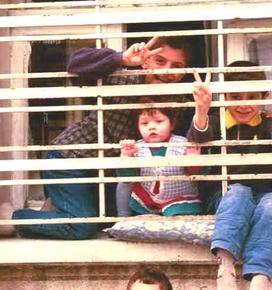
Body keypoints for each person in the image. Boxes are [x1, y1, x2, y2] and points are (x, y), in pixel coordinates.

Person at [0, 36, 193, 240]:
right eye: (160, 61)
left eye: (177, 65)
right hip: (69, 159)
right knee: (81, 226)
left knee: (112, 220)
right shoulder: (123, 80)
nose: (167, 71)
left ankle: (58, 211)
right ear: (146, 61)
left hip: (107, 171)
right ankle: (11, 218)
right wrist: (122, 59)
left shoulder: (180, 103)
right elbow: (75, 63)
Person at [188, 60, 272, 290]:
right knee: (238, 191)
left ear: (263, 96)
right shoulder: (216, 122)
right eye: (235, 97)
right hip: (224, 196)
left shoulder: (267, 123)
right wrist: (201, 110)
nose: (244, 104)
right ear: (224, 97)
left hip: (265, 192)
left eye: (251, 96)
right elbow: (198, 138)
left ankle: (260, 276)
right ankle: (225, 267)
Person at [116, 96, 202, 217]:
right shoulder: (137, 148)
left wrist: (192, 158)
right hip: (147, 201)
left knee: (176, 216)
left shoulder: (183, 144)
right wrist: (127, 156)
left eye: (159, 121)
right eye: (144, 123)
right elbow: (127, 179)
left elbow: (198, 174)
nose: (151, 127)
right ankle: (123, 220)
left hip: (180, 200)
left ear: (171, 124)